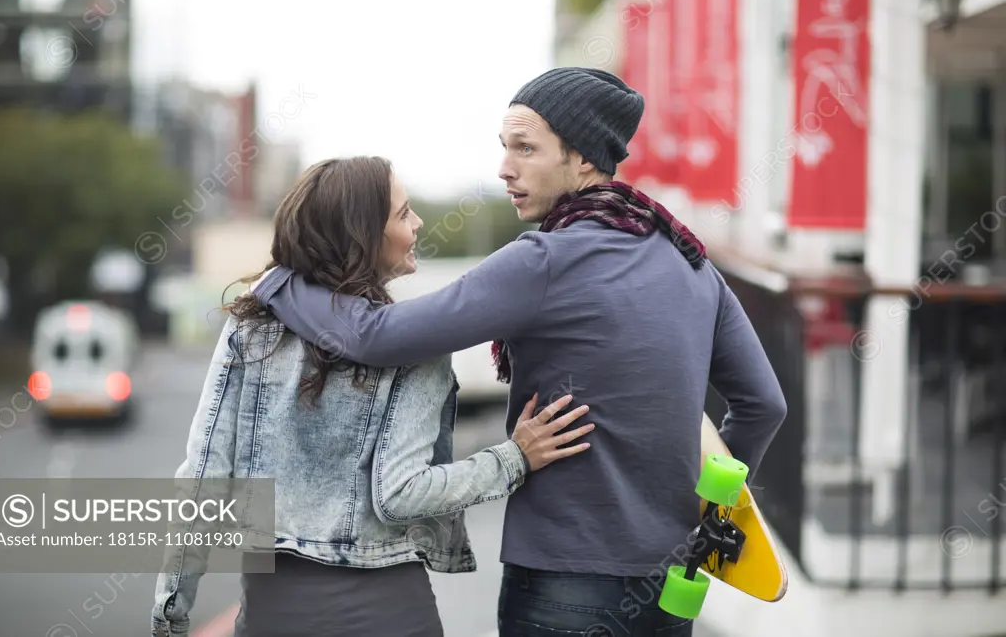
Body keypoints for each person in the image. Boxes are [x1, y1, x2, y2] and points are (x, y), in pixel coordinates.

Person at [251, 68, 788, 636]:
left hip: (564, 585)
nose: (505, 168)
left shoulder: (545, 260)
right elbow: (763, 404)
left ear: (582, 157)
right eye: (505, 148)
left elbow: (376, 336)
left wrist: (280, 284)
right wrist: (711, 508)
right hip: (669, 590)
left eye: (526, 148)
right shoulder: (692, 262)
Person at [150, 155, 596, 637]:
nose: (419, 223)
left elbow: (203, 479)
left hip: (274, 613)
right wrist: (513, 459)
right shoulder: (417, 345)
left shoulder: (251, 330)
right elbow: (401, 497)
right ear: (362, 236)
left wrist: (171, 606)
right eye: (404, 214)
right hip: (390, 614)